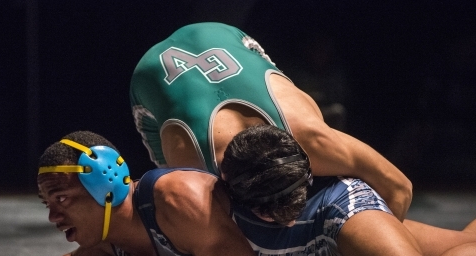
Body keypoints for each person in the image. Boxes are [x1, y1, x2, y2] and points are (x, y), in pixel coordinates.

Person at [0, 130, 476, 256]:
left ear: (103, 185)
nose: (54, 214)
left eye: (61, 197)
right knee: (458, 246)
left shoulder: (172, 200)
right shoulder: (113, 234)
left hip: (329, 218)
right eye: (47, 203)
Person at [130, 22, 413, 221]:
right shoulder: (193, 165)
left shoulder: (312, 135)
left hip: (224, 37)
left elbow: (400, 188)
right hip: (152, 75)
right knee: (199, 219)